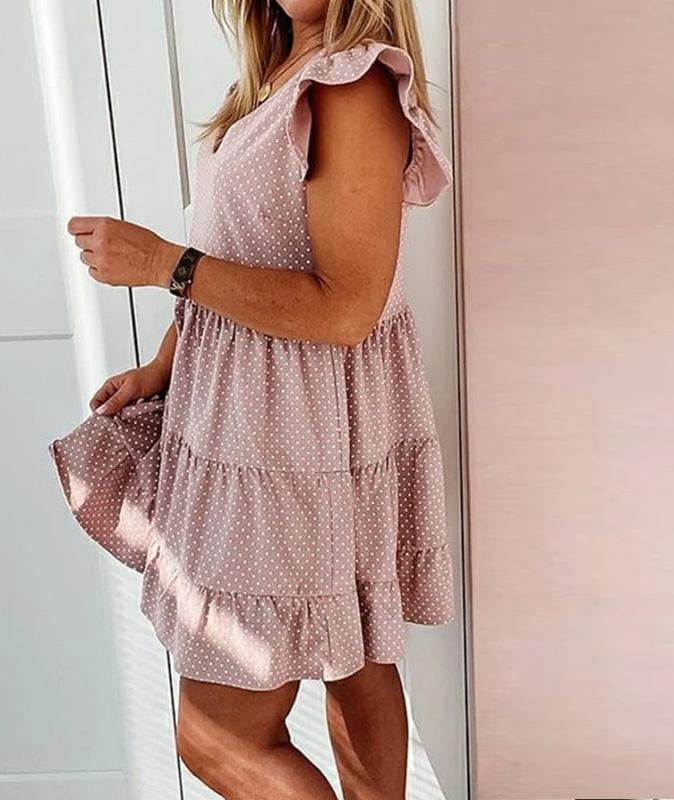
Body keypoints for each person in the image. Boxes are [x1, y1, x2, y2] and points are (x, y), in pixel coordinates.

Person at [65, 1, 456, 796]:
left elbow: (347, 308)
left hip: (294, 431)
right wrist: (164, 365)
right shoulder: (277, 77)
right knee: (357, 656)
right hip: (268, 415)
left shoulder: (349, 86)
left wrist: (164, 263)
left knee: (216, 737)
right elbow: (245, 250)